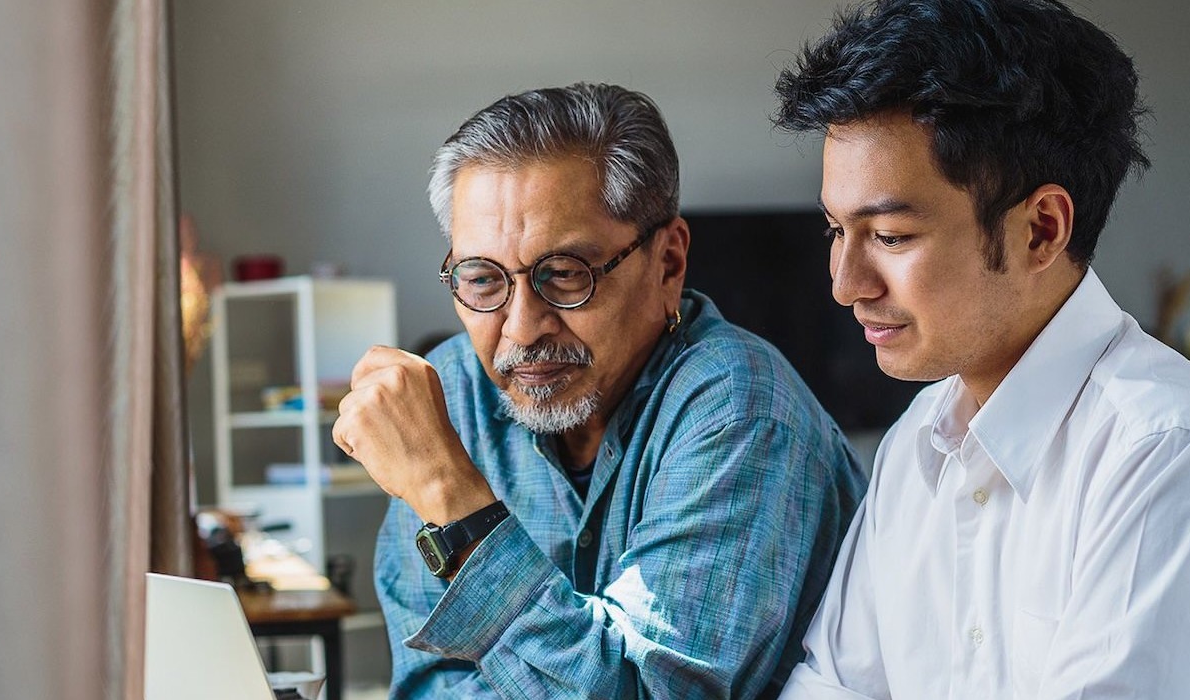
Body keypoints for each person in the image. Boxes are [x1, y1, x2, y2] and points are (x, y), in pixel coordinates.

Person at [769, 1, 1190, 698]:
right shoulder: (916, 445)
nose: (845, 284)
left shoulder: (1174, 451)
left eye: (889, 236)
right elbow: (829, 687)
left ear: (1041, 230)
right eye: (835, 230)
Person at [331, 83, 865, 699]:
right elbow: (431, 684)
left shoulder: (740, 407)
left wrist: (449, 496)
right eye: (481, 279)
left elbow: (644, 692)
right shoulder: (450, 393)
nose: (522, 329)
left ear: (668, 263)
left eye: (564, 274)